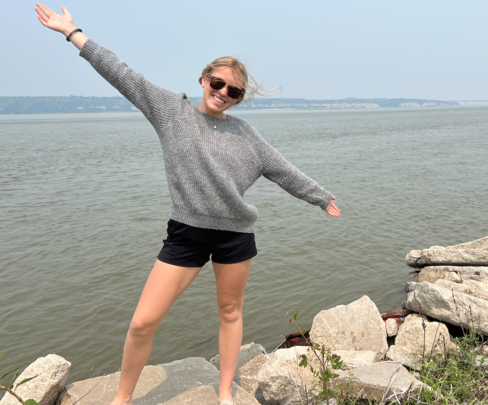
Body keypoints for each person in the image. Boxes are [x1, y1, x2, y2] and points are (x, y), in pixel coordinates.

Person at [34, 4, 340, 405]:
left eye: (234, 91)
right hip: (186, 233)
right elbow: (121, 73)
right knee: (143, 322)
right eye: (218, 83)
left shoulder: (246, 135)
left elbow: (282, 170)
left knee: (230, 313)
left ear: (239, 98)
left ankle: (226, 392)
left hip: (235, 236)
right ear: (203, 78)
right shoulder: (170, 111)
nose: (223, 93)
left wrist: (320, 197)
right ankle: (122, 398)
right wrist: (72, 33)